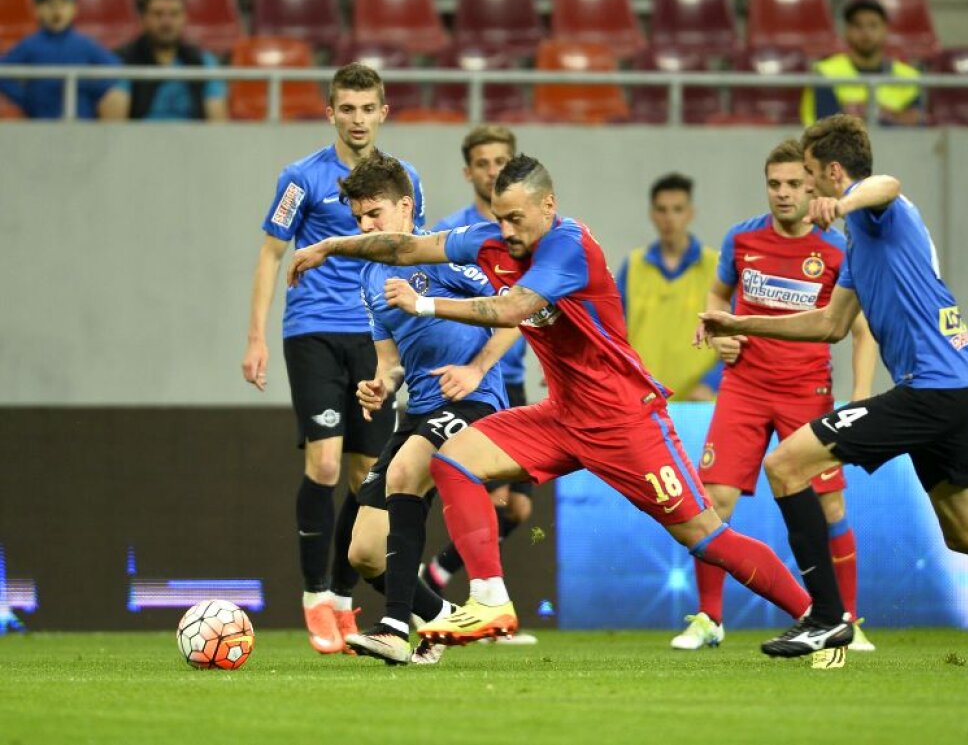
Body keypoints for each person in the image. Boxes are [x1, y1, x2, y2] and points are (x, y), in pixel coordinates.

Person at [288, 154, 820, 655]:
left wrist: (425, 304)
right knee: (453, 461)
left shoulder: (570, 246)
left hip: (624, 420)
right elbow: (404, 250)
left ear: (549, 205)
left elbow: (512, 308)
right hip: (562, 415)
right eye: (500, 218)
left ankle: (819, 616)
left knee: (705, 537)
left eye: (517, 218)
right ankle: (490, 601)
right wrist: (329, 248)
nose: (508, 231)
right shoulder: (491, 239)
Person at [696, 114, 968, 669]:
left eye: (809, 176)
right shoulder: (859, 244)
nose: (803, 189)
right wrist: (740, 323)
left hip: (931, 390)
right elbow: (829, 325)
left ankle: (828, 617)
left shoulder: (881, 213)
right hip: (953, 386)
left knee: (785, 465)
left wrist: (848, 202)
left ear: (833, 173)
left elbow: (888, 185)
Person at [240, 62, 424, 656]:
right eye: (347, 108)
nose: (358, 119)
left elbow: (410, 248)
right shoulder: (300, 178)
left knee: (365, 477)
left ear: (384, 113)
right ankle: (315, 595)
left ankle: (345, 601)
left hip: (376, 336)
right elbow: (271, 254)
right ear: (331, 113)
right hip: (313, 329)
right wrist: (256, 337)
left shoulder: (404, 178)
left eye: (368, 108)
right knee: (323, 464)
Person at [671, 140, 877, 667]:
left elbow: (861, 330)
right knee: (711, 502)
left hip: (807, 393)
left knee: (830, 506)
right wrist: (719, 337)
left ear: (813, 187)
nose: (783, 193)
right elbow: (717, 300)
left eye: (794, 184)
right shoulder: (741, 238)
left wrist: (859, 401)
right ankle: (710, 619)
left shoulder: (836, 252)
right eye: (774, 184)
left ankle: (847, 620)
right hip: (742, 387)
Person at [327, 153, 520, 666]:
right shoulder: (370, 279)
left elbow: (515, 313)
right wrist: (379, 384)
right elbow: (389, 361)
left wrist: (477, 370)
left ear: (406, 207)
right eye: (359, 219)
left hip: (473, 402)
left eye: (375, 215)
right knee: (363, 551)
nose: (366, 227)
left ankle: (394, 628)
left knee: (409, 469)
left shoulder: (444, 253)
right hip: (417, 413)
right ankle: (439, 621)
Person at [421, 125, 536, 619]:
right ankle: (482, 601)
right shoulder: (454, 236)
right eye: (484, 163)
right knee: (493, 492)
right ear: (469, 171)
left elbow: (536, 306)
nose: (492, 170)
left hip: (513, 378)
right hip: (471, 380)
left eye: (501, 162)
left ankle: (444, 578)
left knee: (518, 509)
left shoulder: (528, 231)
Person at [616, 173, 721, 401]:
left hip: (699, 404)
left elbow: (739, 335)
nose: (669, 218)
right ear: (652, 214)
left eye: (677, 209)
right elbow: (611, 332)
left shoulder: (716, 267)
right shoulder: (633, 266)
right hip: (643, 401)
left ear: (690, 213)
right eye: (662, 210)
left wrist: (711, 384)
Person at [0, 0, 127, 120]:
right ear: (37, 10)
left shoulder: (85, 44)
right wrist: (24, 98)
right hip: (40, 123)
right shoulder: (30, 44)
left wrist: (93, 91)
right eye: (49, 4)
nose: (56, 10)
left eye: (63, 4)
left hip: (81, 123)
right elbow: (3, 70)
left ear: (74, 9)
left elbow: (116, 69)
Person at [112, 0, 228, 121]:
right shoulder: (123, 61)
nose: (166, 22)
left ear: (185, 18)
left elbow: (218, 124)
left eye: (174, 14)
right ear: (143, 19)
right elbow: (115, 127)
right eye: (158, 14)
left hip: (193, 140)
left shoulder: (202, 62)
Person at [802, 0, 922, 127]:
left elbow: (916, 128)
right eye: (858, 26)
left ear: (885, 30)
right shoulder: (826, 72)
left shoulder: (909, 77)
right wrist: (891, 117)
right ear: (846, 31)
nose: (866, 33)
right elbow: (828, 128)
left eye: (873, 25)